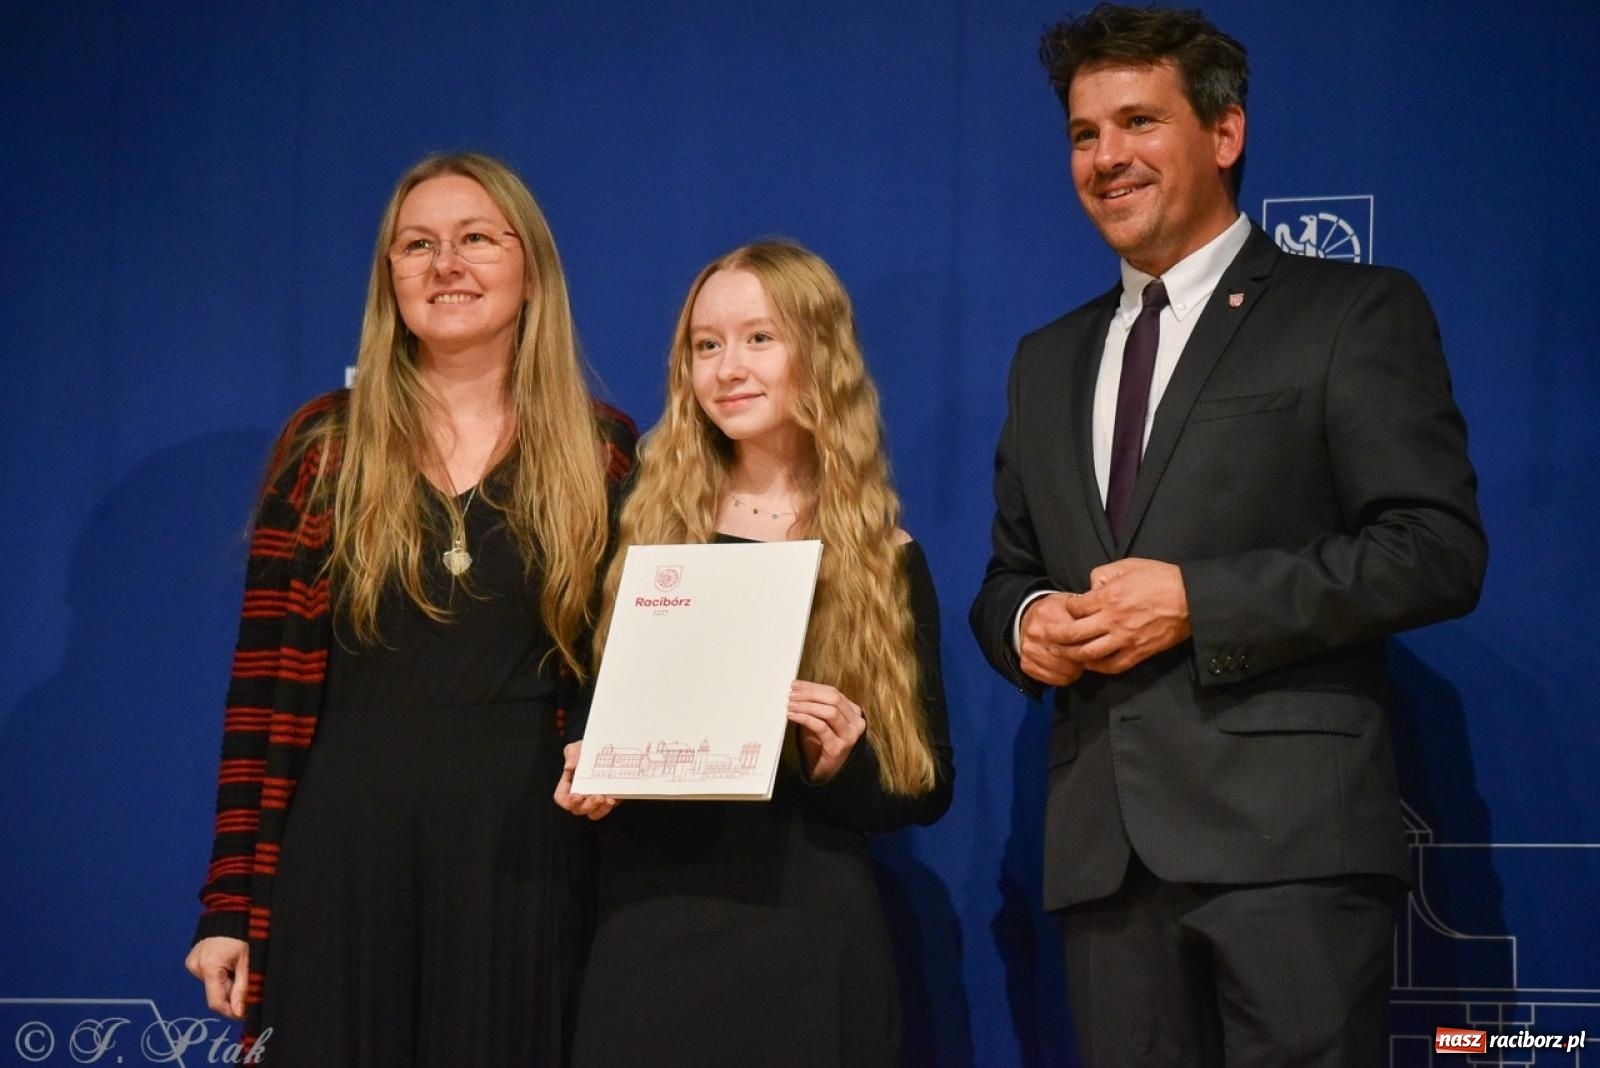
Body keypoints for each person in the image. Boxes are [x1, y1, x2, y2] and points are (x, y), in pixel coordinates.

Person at [968, 6, 1487, 1066]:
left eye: (1137, 122)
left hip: (1287, 851)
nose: (1106, 157)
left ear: (1223, 133)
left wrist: (1198, 602)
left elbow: (1434, 548)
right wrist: (1024, 624)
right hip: (1104, 862)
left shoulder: (1351, 311)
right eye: (1082, 134)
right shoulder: (1045, 359)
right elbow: (1007, 571)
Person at [184, 152, 635, 1066]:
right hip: (347, 844)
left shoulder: (603, 452)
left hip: (530, 850)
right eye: (417, 245)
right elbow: (262, 690)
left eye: (476, 239)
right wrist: (232, 902)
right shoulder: (325, 449)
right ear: (389, 277)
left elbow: (618, 670)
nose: (446, 265)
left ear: (530, 266)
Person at [554, 240, 954, 1067]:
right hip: (650, 922)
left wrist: (840, 758)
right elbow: (598, 723)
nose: (727, 368)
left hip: (806, 936)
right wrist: (587, 773)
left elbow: (925, 787)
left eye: (758, 339)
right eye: (707, 346)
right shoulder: (639, 530)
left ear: (821, 354)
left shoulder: (885, 557)